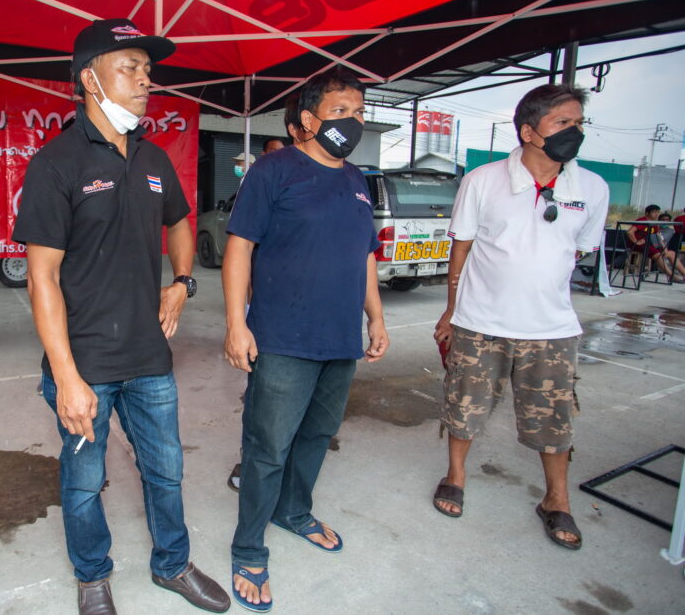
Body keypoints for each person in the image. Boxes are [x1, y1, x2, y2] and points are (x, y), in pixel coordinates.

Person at [13, 18, 229, 615]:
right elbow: (41, 278)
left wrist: (181, 283)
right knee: (84, 484)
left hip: (149, 357)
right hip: (84, 363)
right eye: (129, 68)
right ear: (90, 79)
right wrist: (66, 377)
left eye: (147, 70)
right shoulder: (56, 163)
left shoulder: (153, 157)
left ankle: (173, 564)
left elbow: (180, 221)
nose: (144, 80)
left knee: (167, 471)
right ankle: (92, 577)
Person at [223, 67, 389, 611]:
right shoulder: (274, 170)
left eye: (359, 112)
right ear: (308, 120)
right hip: (283, 339)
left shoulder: (356, 180)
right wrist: (236, 323)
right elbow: (239, 248)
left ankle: (293, 512)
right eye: (341, 111)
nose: (353, 120)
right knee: (267, 448)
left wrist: (376, 318)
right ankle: (249, 547)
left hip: (340, 340)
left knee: (316, 436)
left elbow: (365, 255)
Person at [432, 84, 609, 552]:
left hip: (552, 329)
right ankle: (456, 475)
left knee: (554, 419)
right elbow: (461, 248)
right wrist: (451, 309)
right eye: (563, 123)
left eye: (578, 123)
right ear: (529, 132)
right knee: (464, 407)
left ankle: (556, 499)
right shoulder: (483, 180)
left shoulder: (592, 188)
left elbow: (579, 250)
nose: (574, 131)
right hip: (480, 323)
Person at [226, 97, 301, 493]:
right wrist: (239, 319)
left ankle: (283, 468)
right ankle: (251, 462)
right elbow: (242, 249)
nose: (275, 158)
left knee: (294, 405)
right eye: (269, 153)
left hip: (298, 309)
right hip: (264, 306)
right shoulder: (259, 181)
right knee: (263, 400)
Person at [626, 204, 685, 282]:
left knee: (671, 254)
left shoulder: (655, 223)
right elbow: (630, 232)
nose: (656, 214)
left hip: (650, 244)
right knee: (657, 255)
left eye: (658, 212)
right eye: (654, 212)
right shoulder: (642, 220)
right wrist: (636, 242)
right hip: (639, 245)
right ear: (647, 213)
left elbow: (658, 236)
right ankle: (672, 276)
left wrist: (664, 249)